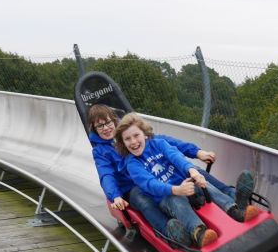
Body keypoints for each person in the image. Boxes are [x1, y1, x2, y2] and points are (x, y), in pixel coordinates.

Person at [87, 103, 235, 243]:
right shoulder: (100, 151)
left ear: (114, 120)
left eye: (107, 122)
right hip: (131, 186)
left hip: (156, 174)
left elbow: (167, 144)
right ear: (94, 128)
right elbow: (106, 174)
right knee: (143, 199)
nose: (105, 128)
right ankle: (171, 232)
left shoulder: (130, 131)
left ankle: (230, 194)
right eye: (100, 125)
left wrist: (197, 152)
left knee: (193, 171)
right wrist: (115, 196)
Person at [117, 112, 256, 248]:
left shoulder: (159, 143)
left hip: (186, 185)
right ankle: (199, 233)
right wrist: (176, 190)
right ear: (123, 143)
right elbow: (150, 184)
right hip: (167, 196)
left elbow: (175, 156)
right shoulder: (132, 164)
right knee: (176, 201)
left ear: (145, 134)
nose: (133, 142)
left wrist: (192, 171)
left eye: (136, 135)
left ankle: (235, 209)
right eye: (128, 139)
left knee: (203, 184)